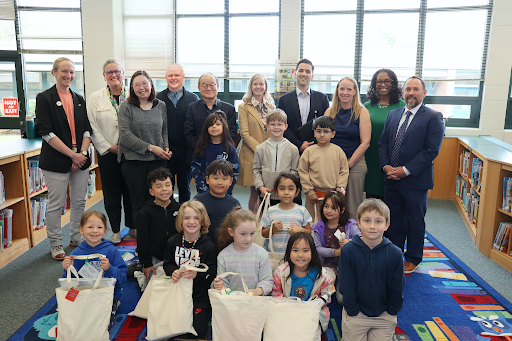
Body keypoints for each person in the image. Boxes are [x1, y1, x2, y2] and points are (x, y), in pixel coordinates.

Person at [379, 76, 444, 273]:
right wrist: (386, 166)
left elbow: (431, 151)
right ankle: (395, 253)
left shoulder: (433, 117)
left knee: (414, 220)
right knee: (395, 218)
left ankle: (413, 257)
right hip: (391, 178)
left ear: (424, 93)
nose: (411, 93)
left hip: (415, 180)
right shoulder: (393, 114)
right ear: (403, 93)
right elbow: (384, 144)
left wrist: (405, 170)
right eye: (408, 89)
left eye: (416, 89)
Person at [36, 57, 92, 260]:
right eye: (64, 72)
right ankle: (56, 243)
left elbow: (87, 129)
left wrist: (82, 155)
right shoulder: (44, 98)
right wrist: (72, 156)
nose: (68, 76)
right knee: (56, 204)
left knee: (79, 202)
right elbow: (46, 133)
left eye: (72, 72)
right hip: (57, 161)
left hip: (81, 158)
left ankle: (76, 237)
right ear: (54, 72)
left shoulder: (79, 99)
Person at [338, 199, 405, 341]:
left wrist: (392, 311)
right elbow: (346, 283)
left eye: (378, 221)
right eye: (367, 221)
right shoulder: (348, 250)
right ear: (358, 222)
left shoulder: (395, 253)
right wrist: (351, 309)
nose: (372, 226)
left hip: (384, 314)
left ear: (387, 225)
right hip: (356, 314)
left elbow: (397, 286)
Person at [118, 70, 172, 233]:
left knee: (159, 199)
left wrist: (165, 146)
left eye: (144, 83)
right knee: (139, 202)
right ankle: (142, 238)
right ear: (132, 88)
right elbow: (125, 136)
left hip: (158, 161)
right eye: (136, 84)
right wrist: (151, 147)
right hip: (134, 162)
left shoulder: (161, 105)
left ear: (151, 85)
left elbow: (164, 130)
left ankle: (158, 234)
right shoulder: (126, 107)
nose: (141, 88)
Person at [87, 58, 134, 243]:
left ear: (123, 73)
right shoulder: (95, 97)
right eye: (109, 72)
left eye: (117, 71)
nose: (114, 75)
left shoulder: (133, 94)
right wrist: (108, 147)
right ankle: (115, 230)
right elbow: (92, 125)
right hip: (108, 154)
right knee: (112, 194)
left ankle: (132, 227)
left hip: (131, 154)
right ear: (104, 76)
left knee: (131, 192)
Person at [62, 211, 127, 328]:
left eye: (99, 227)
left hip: (106, 295)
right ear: (81, 230)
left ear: (105, 230)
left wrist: (110, 269)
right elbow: (68, 284)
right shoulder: (75, 254)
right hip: (85, 294)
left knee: (101, 325)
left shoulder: (111, 251)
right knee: (70, 319)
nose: (95, 231)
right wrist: (67, 269)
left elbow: (123, 278)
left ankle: (114, 303)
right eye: (90, 227)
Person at [163, 200, 217, 339]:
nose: (191, 222)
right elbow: (167, 264)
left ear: (203, 221)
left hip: (199, 294)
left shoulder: (209, 246)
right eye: (187, 217)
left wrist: (197, 275)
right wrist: (173, 271)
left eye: (196, 218)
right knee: (171, 327)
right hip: (177, 291)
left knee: (198, 332)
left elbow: (212, 271)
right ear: (180, 221)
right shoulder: (172, 242)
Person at [272, 232, 334, 341]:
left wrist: (315, 303)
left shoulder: (322, 275)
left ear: (312, 252)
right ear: (289, 251)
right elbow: (276, 293)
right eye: (295, 250)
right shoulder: (281, 272)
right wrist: (288, 307)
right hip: (287, 314)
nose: (300, 255)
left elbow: (328, 294)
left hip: (311, 315)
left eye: (305, 250)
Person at [325, 76, 371, 220]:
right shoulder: (329, 112)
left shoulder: (362, 112)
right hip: (332, 163)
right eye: (342, 88)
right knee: (331, 205)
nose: (345, 92)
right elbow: (324, 139)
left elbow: (365, 142)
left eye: (349, 89)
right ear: (337, 90)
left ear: (355, 92)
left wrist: (347, 164)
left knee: (352, 206)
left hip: (355, 163)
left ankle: (352, 239)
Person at [157, 64, 199, 203]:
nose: (173, 78)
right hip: (164, 152)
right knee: (165, 188)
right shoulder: (157, 99)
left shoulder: (193, 99)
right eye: (170, 75)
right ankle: (167, 219)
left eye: (176, 75)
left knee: (184, 187)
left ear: (183, 77)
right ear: (166, 77)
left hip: (185, 152)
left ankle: (183, 219)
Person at [364, 69, 406, 200]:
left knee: (391, 199)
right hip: (370, 157)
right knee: (372, 200)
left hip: (392, 158)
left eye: (387, 81)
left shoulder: (402, 105)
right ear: (374, 84)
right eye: (379, 81)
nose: (383, 84)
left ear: (393, 83)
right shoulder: (367, 106)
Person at [237, 74, 276, 212]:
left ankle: (265, 220)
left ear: (265, 87)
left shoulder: (271, 106)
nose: (258, 87)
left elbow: (274, 129)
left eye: (261, 84)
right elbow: (244, 133)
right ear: (251, 87)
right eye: (255, 84)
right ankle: (254, 220)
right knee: (255, 191)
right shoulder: (243, 107)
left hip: (270, 154)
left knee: (268, 190)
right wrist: (261, 149)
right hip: (252, 153)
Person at [213, 208, 273, 296]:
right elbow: (222, 282)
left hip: (255, 302)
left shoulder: (261, 254)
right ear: (231, 232)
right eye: (243, 234)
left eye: (252, 233)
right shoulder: (223, 256)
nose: (248, 239)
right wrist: (218, 285)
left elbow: (267, 280)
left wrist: (258, 291)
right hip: (232, 303)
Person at [298, 116, 349, 220]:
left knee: (331, 222)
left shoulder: (338, 151)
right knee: (312, 222)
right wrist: (309, 191)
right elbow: (303, 172)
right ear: (314, 133)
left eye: (326, 131)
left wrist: (339, 190)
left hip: (333, 195)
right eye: (319, 131)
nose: (322, 134)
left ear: (333, 134)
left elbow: (344, 171)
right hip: (313, 195)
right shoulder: (308, 151)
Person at [137, 167, 181, 280]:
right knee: (152, 284)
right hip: (154, 256)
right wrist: (146, 263)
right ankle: (137, 273)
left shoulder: (179, 208)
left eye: (167, 185)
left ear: (172, 187)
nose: (164, 189)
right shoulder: (146, 212)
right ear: (151, 191)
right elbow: (142, 240)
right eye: (159, 186)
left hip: (175, 254)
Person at [277, 59, 329, 153]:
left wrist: (310, 144)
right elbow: (282, 125)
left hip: (316, 149)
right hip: (289, 149)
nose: (304, 74)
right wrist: (299, 144)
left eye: (308, 71)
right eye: (301, 70)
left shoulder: (322, 98)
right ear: (295, 74)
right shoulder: (284, 100)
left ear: (312, 76)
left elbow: (326, 126)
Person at [184, 73, 237, 164]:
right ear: (199, 88)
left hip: (223, 156)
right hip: (199, 155)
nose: (208, 88)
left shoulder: (229, 109)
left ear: (218, 86)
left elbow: (232, 133)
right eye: (204, 85)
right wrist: (204, 149)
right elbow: (189, 133)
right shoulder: (192, 108)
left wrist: (219, 148)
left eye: (212, 85)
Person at [253, 109, 300, 206]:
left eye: (279, 124)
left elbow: (295, 172)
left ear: (285, 126)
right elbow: (256, 170)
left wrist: (288, 189)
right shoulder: (260, 148)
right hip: (267, 193)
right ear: (267, 126)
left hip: (286, 195)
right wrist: (260, 187)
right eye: (273, 124)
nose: (276, 127)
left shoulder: (293, 149)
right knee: (268, 219)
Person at [311, 190, 359, 284]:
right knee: (326, 281)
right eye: (326, 206)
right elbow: (317, 249)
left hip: (348, 265)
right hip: (327, 265)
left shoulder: (350, 225)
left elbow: (361, 240)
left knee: (341, 297)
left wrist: (349, 242)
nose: (329, 211)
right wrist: (336, 252)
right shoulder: (319, 227)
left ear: (342, 210)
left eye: (334, 208)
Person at [261, 173, 312, 254]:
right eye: (282, 189)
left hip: (296, 254)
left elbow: (309, 231)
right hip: (275, 254)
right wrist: (273, 229)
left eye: (291, 189)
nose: (286, 192)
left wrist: (301, 230)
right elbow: (263, 233)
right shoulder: (271, 211)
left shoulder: (302, 211)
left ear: (297, 192)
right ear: (276, 191)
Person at [191, 111, 239, 196]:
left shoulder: (230, 148)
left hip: (224, 192)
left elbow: (234, 171)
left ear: (224, 126)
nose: (214, 127)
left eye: (217, 124)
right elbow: (195, 169)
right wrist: (203, 188)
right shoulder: (201, 147)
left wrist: (227, 189)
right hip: (204, 191)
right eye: (211, 125)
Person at [194, 159, 240, 244]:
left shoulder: (234, 204)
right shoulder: (198, 201)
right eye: (215, 178)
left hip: (226, 246)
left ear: (230, 181)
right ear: (207, 179)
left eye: (224, 178)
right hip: (203, 246)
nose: (219, 182)